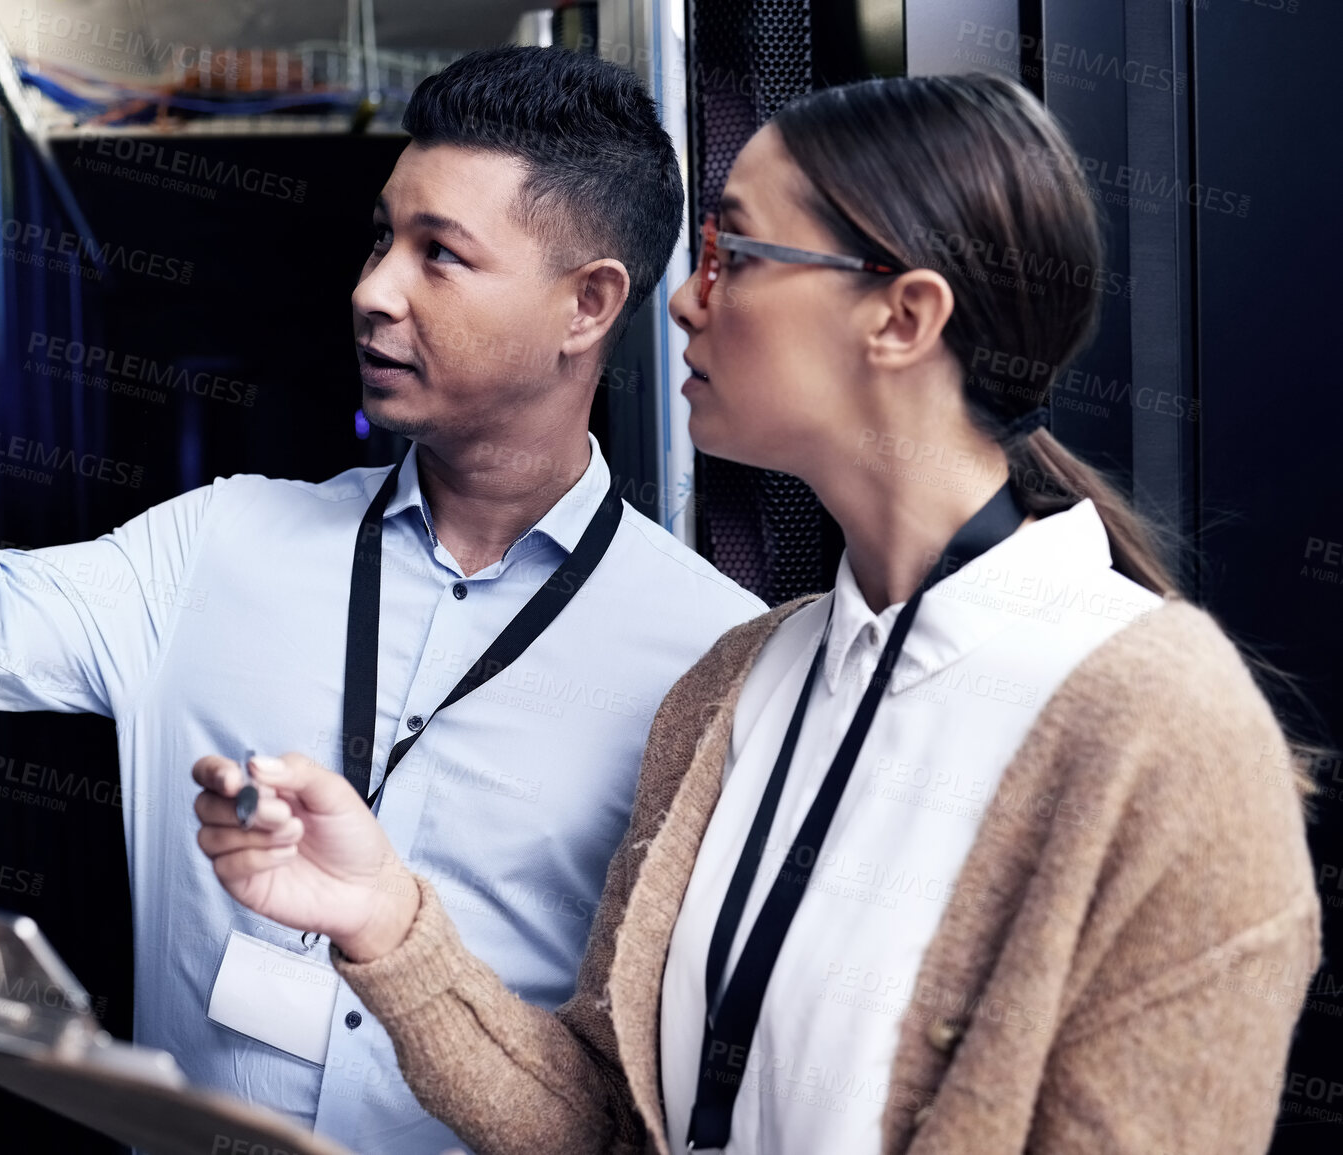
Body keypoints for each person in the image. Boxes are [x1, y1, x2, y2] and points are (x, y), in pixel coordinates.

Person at [194, 72, 1323, 1154]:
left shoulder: (1164, 726)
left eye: (736, 252)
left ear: (901, 318)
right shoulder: (738, 682)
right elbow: (607, 1126)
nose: (683, 295)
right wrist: (385, 917)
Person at [0, 5, 765, 1151]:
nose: (374, 290)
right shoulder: (221, 543)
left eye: (441, 255)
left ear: (590, 304)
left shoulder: (715, 661)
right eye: (381, 239)